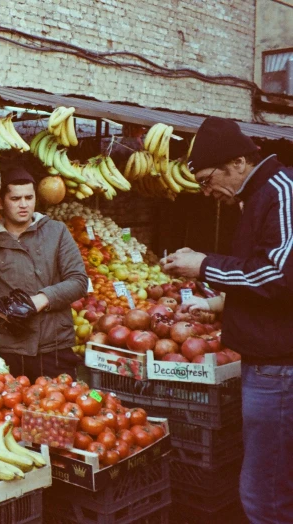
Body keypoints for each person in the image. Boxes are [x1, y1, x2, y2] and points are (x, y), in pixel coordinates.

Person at [161, 116, 293, 524]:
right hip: (268, 362)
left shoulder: (280, 190)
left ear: (236, 162)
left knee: (263, 494)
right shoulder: (258, 196)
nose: (205, 192)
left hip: (280, 367)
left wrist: (204, 265)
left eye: (205, 180)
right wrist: (221, 305)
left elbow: (281, 274)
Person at [0, 165, 88, 379]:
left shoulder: (57, 232)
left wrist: (42, 299)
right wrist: (0, 312)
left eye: (29, 198)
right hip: (7, 349)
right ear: (1, 203)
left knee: (59, 409)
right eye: (15, 199)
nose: (23, 205)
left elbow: (78, 280)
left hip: (54, 347)